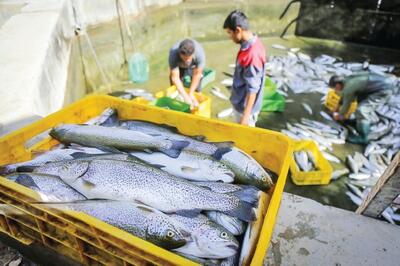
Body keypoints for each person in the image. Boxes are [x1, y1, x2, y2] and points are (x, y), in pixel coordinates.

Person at [223, 10, 266, 127]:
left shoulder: (252, 54)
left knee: (243, 142)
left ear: (238, 30)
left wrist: (245, 118)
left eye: (230, 33)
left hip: (245, 110)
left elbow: (252, 89)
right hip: (240, 103)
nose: (230, 37)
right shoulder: (252, 42)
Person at [329, 71, 394, 143]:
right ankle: (361, 122)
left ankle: (363, 137)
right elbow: (344, 96)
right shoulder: (347, 80)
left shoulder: (349, 87)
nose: (335, 90)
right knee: (360, 101)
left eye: (334, 88)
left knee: (361, 110)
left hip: (383, 90)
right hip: (374, 87)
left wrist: (340, 115)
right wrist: (337, 107)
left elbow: (347, 104)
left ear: (338, 85)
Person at [169, 39, 206, 108]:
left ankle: (196, 102)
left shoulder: (199, 54)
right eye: (185, 58)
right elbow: (175, 77)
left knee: (197, 89)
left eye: (189, 58)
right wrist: (185, 97)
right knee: (175, 88)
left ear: (193, 53)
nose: (187, 60)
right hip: (179, 65)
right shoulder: (173, 54)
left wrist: (191, 93)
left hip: (194, 65)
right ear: (180, 54)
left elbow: (197, 74)